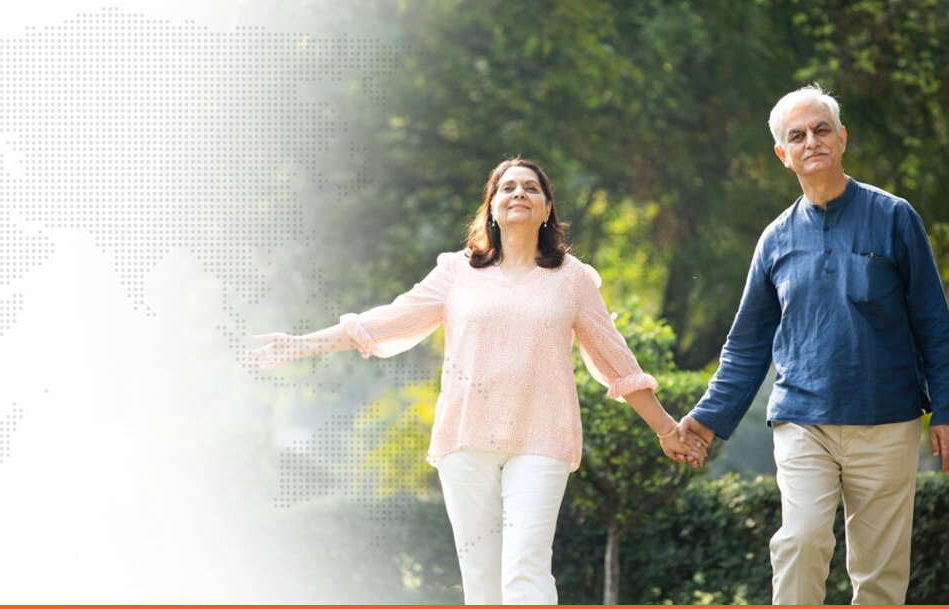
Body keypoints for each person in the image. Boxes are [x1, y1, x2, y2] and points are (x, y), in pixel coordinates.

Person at [249, 158, 706, 605]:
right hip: (466, 438)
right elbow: (386, 321)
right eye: (507, 188)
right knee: (482, 579)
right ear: (491, 207)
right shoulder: (456, 272)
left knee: (526, 565)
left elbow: (616, 360)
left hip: (542, 438)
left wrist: (667, 429)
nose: (519, 193)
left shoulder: (573, 280)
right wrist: (301, 345)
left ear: (547, 209)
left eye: (531, 187)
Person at [677, 84, 949, 605]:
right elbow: (747, 346)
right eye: (797, 135)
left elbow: (932, 321)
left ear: (841, 138)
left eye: (820, 130)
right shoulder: (775, 239)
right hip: (803, 420)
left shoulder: (895, 217)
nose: (811, 141)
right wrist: (706, 418)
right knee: (801, 538)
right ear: (782, 154)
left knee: (879, 571)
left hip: (888, 418)